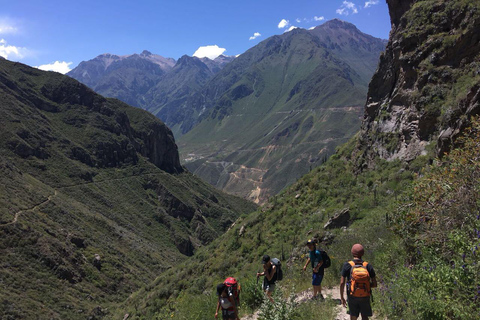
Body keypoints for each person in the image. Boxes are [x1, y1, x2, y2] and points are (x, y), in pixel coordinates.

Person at [340, 244, 377, 320]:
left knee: (353, 316)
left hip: (352, 295)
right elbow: (375, 284)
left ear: (352, 253)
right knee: (365, 316)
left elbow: (342, 283)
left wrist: (342, 297)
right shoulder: (368, 266)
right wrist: (365, 286)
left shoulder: (347, 265)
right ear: (362, 253)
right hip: (365, 295)